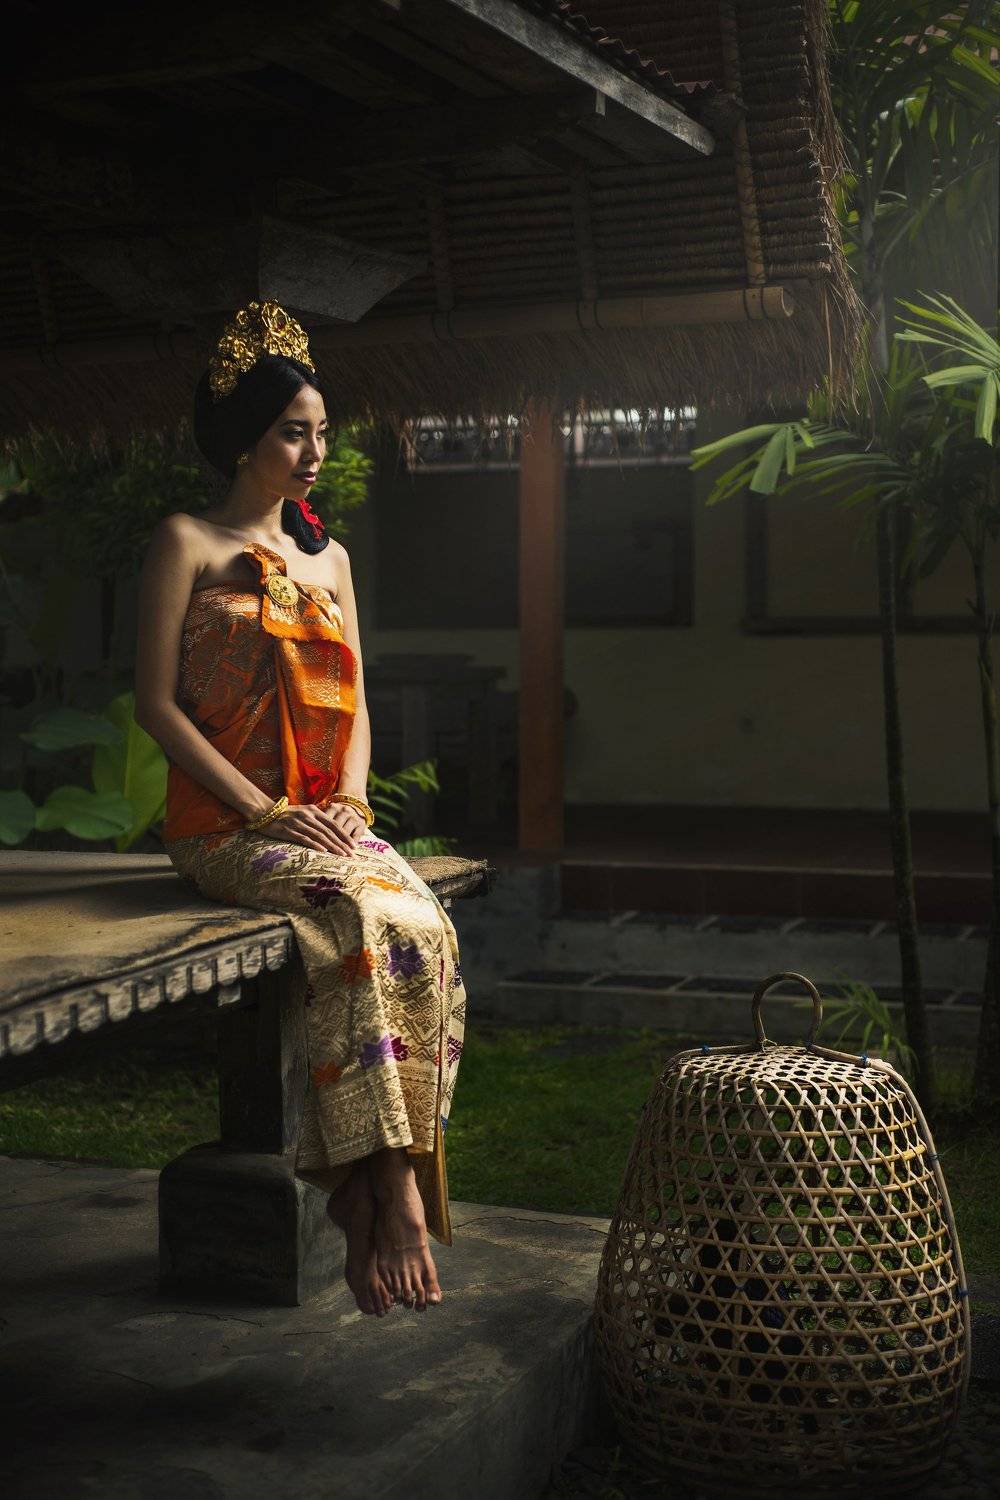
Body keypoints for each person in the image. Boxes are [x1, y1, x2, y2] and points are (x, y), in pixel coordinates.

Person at [135, 301, 466, 1319]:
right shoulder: (186, 541)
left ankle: (372, 1181)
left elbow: (357, 701)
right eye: (294, 432)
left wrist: (353, 802)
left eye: (322, 431)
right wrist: (262, 809)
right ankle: (391, 1190)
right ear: (245, 439)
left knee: (425, 923)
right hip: (227, 828)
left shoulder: (332, 562)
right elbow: (155, 705)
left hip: (327, 819)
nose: (316, 452)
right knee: (357, 912)